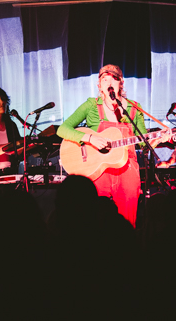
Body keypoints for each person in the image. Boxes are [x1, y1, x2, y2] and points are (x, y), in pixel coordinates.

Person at [57, 64, 154, 227]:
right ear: (99, 85)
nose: (109, 83)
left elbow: (144, 142)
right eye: (104, 79)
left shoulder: (134, 108)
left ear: (121, 83)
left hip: (127, 169)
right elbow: (63, 129)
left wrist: (154, 141)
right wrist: (89, 138)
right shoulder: (91, 105)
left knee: (128, 221)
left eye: (114, 79)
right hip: (97, 169)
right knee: (93, 220)